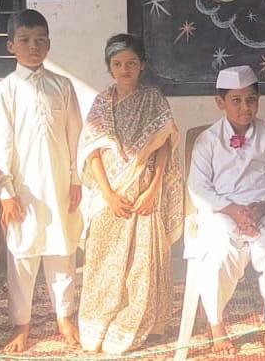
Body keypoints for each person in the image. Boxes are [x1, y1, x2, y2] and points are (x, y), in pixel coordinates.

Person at [187, 65, 265, 354]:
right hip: (222, 212)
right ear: (220, 102)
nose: (245, 107)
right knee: (217, 252)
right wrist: (232, 210)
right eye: (236, 100)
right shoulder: (207, 140)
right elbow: (198, 189)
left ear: (259, 100)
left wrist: (262, 206)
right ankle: (216, 324)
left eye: (251, 99)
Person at [77, 33, 182, 354]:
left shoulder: (153, 99)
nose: (125, 69)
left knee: (143, 264)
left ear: (142, 66)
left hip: (144, 193)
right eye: (118, 64)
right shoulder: (101, 103)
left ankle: (136, 323)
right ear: (109, 67)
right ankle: (99, 322)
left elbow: (164, 146)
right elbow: (92, 152)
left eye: (131, 63)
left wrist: (154, 189)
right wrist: (108, 194)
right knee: (103, 262)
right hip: (109, 196)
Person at [0, 9, 83, 353]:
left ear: (49, 45)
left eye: (41, 40)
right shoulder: (4, 90)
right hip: (22, 189)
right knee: (22, 255)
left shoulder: (63, 86)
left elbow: (76, 135)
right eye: (25, 40)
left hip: (60, 185)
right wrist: (6, 191)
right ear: (10, 45)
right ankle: (22, 324)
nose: (34, 46)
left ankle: (65, 317)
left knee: (63, 250)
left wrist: (76, 180)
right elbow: (1, 144)